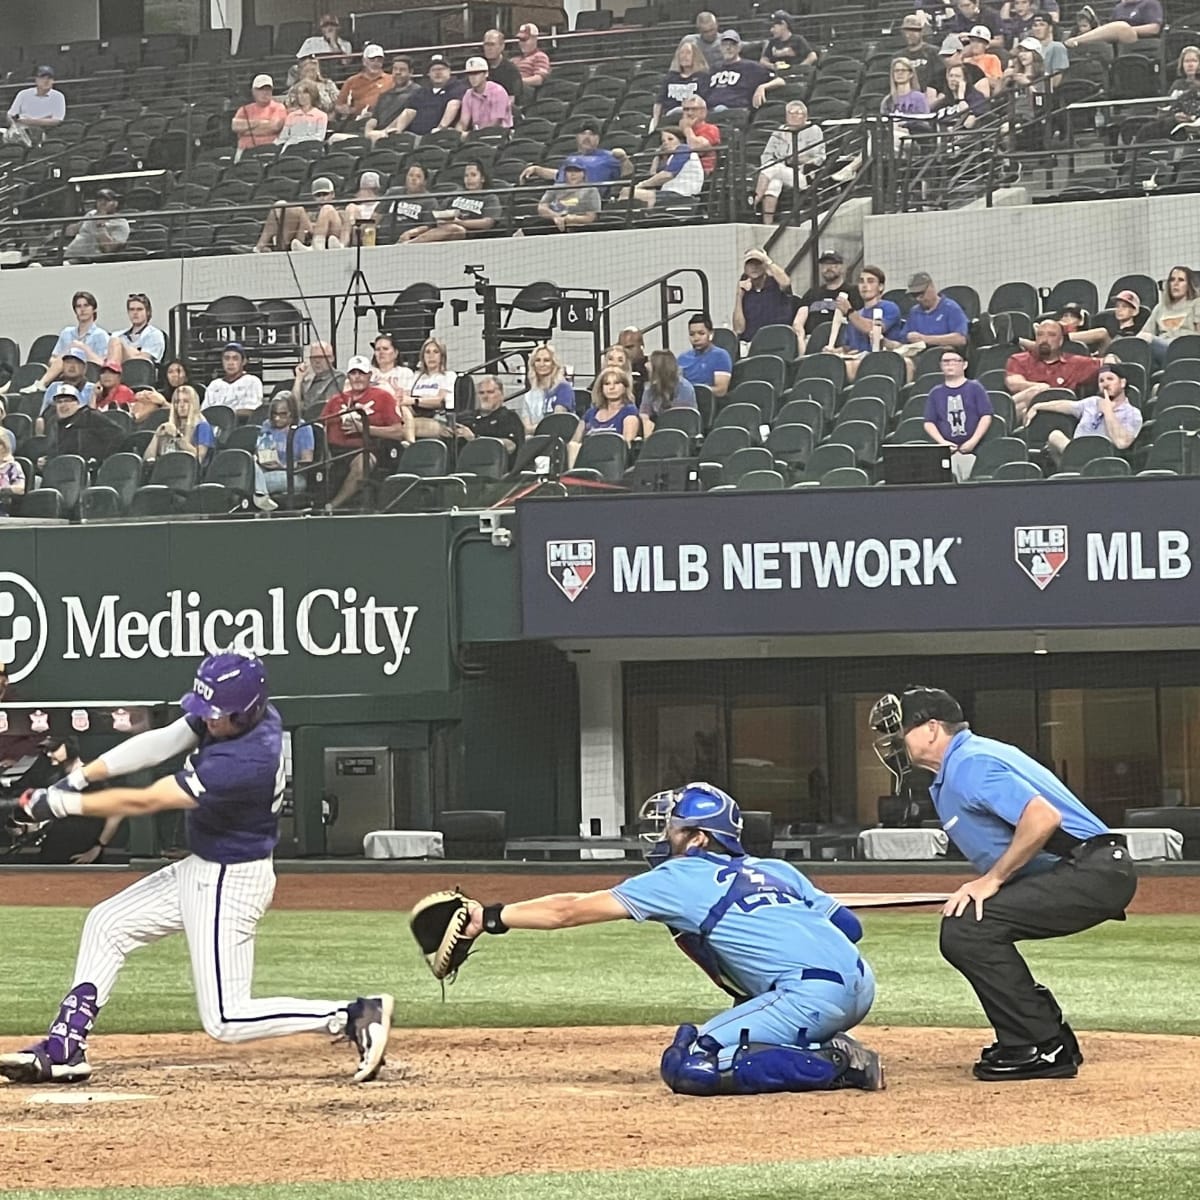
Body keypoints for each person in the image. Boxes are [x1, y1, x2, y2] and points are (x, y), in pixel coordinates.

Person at [2, 653, 393, 1086]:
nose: (208, 721)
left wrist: (61, 805)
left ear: (247, 712)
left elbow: (145, 800)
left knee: (226, 1018)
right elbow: (163, 740)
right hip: (203, 868)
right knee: (107, 924)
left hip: (231, 879)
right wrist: (75, 780)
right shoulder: (235, 712)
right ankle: (64, 1049)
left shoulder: (245, 761)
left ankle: (353, 1014)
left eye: (218, 715)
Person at [455, 782, 883, 1095]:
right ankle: (818, 1039)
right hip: (863, 986)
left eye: (672, 828)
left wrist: (489, 917)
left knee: (691, 1065)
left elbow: (567, 910)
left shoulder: (676, 876)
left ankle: (838, 1064)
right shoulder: (776, 868)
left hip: (810, 998)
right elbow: (851, 928)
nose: (662, 836)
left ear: (698, 838)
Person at [868, 687, 1136, 1080]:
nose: (892, 743)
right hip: (1086, 867)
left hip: (1095, 869)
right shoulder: (957, 767)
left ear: (930, 729)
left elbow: (1042, 818)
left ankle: (1043, 1044)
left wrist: (991, 880)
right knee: (968, 922)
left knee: (969, 928)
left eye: (899, 731)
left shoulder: (970, 763)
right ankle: (1038, 1036)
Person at [319, 356, 409, 509]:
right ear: (348, 376)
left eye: (361, 373)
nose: (357, 377)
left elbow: (398, 432)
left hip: (368, 450)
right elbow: (320, 426)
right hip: (335, 452)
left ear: (369, 375)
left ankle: (332, 506)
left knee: (362, 464)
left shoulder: (383, 396)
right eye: (353, 373)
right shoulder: (336, 400)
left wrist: (364, 429)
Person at [1024, 363, 1142, 464]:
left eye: (1110, 379)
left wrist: (1108, 412)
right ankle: (1070, 470)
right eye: (1101, 381)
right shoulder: (1092, 402)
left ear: (1122, 383)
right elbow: (1066, 405)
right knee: (1055, 436)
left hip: (1104, 459)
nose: (1105, 384)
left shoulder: (1132, 413)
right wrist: (1038, 406)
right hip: (1076, 452)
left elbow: (1122, 443)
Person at [1005, 319, 1101, 417]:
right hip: (1025, 412)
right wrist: (1041, 389)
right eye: (1040, 334)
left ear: (1061, 341)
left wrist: (1110, 360)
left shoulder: (1075, 363)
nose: (1044, 339)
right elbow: (1014, 384)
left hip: (1062, 416)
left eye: (1051, 335)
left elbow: (1108, 363)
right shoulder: (1019, 359)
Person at [923, 348, 994, 479]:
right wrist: (942, 443)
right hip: (947, 452)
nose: (949, 364)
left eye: (954, 361)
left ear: (964, 364)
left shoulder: (975, 388)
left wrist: (973, 441)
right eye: (945, 362)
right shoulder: (935, 393)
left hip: (974, 449)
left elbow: (986, 416)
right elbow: (929, 422)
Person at [21, 291, 109, 393]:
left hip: (87, 376)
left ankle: (41, 384)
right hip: (64, 374)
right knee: (66, 356)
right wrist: (68, 356)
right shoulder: (66, 332)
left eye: (86, 305)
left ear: (94, 309)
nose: (82, 309)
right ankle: (40, 385)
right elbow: (53, 359)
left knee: (74, 352)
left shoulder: (100, 335)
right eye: (78, 306)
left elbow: (103, 364)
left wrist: (83, 349)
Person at [754, 101, 825, 224]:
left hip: (801, 175)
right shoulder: (779, 131)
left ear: (805, 116)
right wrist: (780, 162)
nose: (794, 115)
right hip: (779, 171)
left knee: (773, 169)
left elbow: (818, 157)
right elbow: (766, 155)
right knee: (773, 184)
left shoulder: (813, 130)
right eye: (790, 113)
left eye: (798, 113)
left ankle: (755, 199)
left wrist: (795, 159)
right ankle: (768, 225)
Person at [403, 161, 500, 243]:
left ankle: (410, 244)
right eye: (466, 176)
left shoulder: (490, 197)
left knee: (457, 229)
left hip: (469, 236)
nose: (469, 179)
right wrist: (446, 217)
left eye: (473, 175)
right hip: (444, 230)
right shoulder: (457, 194)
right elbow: (438, 212)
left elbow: (488, 222)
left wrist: (460, 222)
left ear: (482, 178)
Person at [835, 266, 903, 379]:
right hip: (857, 359)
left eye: (870, 281)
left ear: (880, 287)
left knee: (850, 367)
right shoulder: (856, 315)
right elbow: (848, 346)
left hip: (883, 361)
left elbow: (874, 329)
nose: (865, 286)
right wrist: (834, 351)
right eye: (861, 281)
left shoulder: (889, 307)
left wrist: (849, 311)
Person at [520, 121, 631, 191]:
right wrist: (537, 169)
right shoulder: (571, 158)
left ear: (598, 139)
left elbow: (628, 176)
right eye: (583, 134)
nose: (587, 137)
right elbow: (558, 174)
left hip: (587, 202)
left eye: (592, 134)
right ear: (577, 137)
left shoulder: (608, 157)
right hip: (560, 201)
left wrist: (624, 159)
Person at [384, 54, 464, 139]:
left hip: (440, 138)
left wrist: (440, 128)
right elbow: (409, 112)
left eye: (441, 69)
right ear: (428, 73)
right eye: (433, 70)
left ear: (449, 71)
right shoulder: (421, 92)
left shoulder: (457, 87)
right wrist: (397, 131)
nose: (437, 73)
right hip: (413, 137)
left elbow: (454, 106)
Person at [254, 392, 315, 503]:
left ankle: (261, 498)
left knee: (255, 482)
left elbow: (307, 462)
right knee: (250, 468)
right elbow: (261, 449)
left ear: (292, 413)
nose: (277, 418)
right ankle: (263, 500)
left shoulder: (303, 428)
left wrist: (282, 466)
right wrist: (261, 459)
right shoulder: (267, 425)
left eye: (282, 414)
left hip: (293, 475)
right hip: (265, 470)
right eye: (274, 414)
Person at [793, 250, 863, 344]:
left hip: (842, 342)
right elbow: (798, 322)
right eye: (825, 264)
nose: (829, 268)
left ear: (842, 267)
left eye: (833, 264)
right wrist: (801, 340)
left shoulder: (854, 292)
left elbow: (860, 320)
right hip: (812, 342)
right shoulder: (811, 294)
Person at [625, 127, 704, 210]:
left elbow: (667, 175)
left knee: (628, 193)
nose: (666, 143)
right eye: (663, 141)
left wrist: (640, 185)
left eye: (670, 139)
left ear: (680, 140)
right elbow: (653, 174)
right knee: (627, 192)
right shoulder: (672, 157)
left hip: (681, 194)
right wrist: (658, 154)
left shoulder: (684, 149)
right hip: (670, 192)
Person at [1138, 266, 1200, 368]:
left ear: (1189, 284)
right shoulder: (1160, 308)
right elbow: (1144, 333)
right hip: (1162, 349)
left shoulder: (1197, 303)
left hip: (1186, 349)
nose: (1175, 284)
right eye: (1172, 280)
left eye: (1181, 280)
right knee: (1140, 340)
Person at [707, 31, 784, 112]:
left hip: (735, 112)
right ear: (720, 48)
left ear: (739, 48)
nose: (728, 48)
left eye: (732, 44)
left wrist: (762, 87)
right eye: (725, 44)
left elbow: (780, 81)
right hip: (710, 111)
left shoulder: (751, 67)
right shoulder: (714, 68)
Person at [508, 343, 575, 433]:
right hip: (535, 439)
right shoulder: (529, 395)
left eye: (546, 360)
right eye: (538, 360)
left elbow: (557, 422)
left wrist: (536, 428)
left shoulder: (563, 388)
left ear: (554, 364)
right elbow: (527, 428)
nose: (541, 364)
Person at [525, 158, 602, 234]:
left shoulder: (591, 190)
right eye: (569, 171)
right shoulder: (557, 187)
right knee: (531, 226)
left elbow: (591, 217)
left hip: (577, 226)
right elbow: (542, 207)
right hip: (554, 223)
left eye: (577, 171)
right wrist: (556, 217)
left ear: (584, 173)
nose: (573, 174)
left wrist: (569, 219)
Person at [734, 249, 795, 345]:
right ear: (745, 268)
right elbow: (738, 329)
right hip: (751, 343)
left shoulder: (776, 283)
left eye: (758, 263)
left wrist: (767, 260)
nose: (754, 267)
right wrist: (739, 296)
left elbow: (786, 282)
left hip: (778, 342)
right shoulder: (745, 290)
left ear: (765, 266)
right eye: (750, 264)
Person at [144, 385, 215, 466]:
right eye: (177, 402)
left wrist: (177, 437)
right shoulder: (169, 427)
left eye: (186, 401)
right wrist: (157, 436)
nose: (181, 405)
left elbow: (199, 458)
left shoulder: (203, 426)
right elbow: (147, 460)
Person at [34, 349, 95, 436]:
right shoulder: (53, 387)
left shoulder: (92, 388)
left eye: (77, 363)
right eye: (68, 362)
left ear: (84, 368)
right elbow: (43, 415)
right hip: (53, 433)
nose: (72, 366)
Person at [458, 375, 525, 455]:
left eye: (490, 392)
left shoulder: (509, 417)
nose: (485, 397)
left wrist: (474, 439)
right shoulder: (467, 417)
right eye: (481, 393)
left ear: (501, 394)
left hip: (498, 465)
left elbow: (511, 447)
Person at [653, 39, 710, 130]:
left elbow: (704, 102)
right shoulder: (670, 77)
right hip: (670, 117)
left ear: (695, 56)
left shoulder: (703, 77)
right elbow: (659, 102)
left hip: (692, 118)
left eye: (688, 53)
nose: (684, 56)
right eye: (681, 53)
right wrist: (655, 121)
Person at [640, 348, 698, 434]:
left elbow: (679, 419)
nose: (646, 365)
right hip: (659, 431)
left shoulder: (684, 388)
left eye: (650, 362)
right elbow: (644, 413)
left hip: (681, 432)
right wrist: (646, 423)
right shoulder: (650, 388)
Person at [407, 338, 457, 438]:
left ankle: (410, 444)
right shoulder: (416, 376)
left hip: (438, 418)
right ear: (422, 357)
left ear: (442, 356)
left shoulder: (448, 376)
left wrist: (415, 401)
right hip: (415, 416)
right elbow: (405, 399)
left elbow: (439, 401)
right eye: (427, 352)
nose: (431, 356)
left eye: (436, 352)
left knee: (406, 426)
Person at [62, 189, 130, 262]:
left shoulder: (121, 223)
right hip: (70, 255)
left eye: (106, 200)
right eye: (100, 200)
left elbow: (108, 249)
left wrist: (100, 223)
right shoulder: (91, 214)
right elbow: (71, 231)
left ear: (115, 203)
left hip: (91, 259)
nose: (102, 203)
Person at [1064, 0, 1162, 49]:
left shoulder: (1150, 3)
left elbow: (1154, 28)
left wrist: (1127, 30)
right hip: (1116, 44)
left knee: (1121, 27)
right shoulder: (1118, 8)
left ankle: (1076, 40)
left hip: (1138, 42)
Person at [5, 66, 66, 145]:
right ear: (36, 80)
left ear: (53, 81)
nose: (46, 81)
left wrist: (27, 121)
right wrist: (14, 126)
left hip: (46, 132)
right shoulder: (23, 94)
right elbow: (10, 114)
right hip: (21, 131)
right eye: (42, 78)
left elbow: (57, 121)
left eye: (49, 78)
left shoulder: (58, 96)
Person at [106, 293, 167, 371]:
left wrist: (121, 349)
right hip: (122, 370)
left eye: (139, 309)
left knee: (116, 341)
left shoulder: (154, 334)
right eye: (132, 309)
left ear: (148, 312)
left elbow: (144, 361)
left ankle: (111, 374)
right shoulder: (118, 334)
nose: (135, 313)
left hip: (140, 371)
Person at [334, 45, 394, 123]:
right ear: (364, 61)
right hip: (357, 122)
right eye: (372, 60)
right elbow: (339, 105)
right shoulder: (351, 81)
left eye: (379, 60)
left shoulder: (391, 80)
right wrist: (346, 110)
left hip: (384, 121)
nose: (375, 63)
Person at [678, 312, 732, 397]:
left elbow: (721, 390)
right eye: (692, 334)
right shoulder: (682, 358)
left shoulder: (721, 356)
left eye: (701, 333)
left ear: (711, 334)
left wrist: (693, 391)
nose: (696, 338)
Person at [202, 343, 263, 417]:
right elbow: (204, 412)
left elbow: (253, 411)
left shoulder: (252, 381)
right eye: (227, 358)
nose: (230, 363)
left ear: (243, 361)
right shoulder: (214, 385)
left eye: (235, 358)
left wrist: (226, 415)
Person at [232, 75, 286, 158]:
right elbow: (235, 127)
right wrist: (261, 123)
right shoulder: (244, 109)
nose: (265, 92)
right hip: (244, 149)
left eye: (268, 89)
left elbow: (274, 127)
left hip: (269, 149)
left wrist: (246, 130)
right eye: (261, 89)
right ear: (254, 91)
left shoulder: (278, 107)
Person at [582, 368, 640, 444]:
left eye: (616, 383)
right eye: (607, 384)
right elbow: (574, 441)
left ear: (625, 387)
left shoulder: (629, 412)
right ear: (601, 388)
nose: (612, 387)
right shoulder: (591, 413)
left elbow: (627, 446)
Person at [458, 57, 513, 135]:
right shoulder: (468, 94)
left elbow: (496, 122)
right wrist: (459, 134)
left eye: (477, 73)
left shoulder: (498, 91)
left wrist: (476, 134)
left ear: (486, 74)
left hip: (500, 134)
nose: (473, 77)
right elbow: (463, 122)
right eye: (470, 74)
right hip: (478, 135)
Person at [277, 81, 328, 146]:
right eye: (299, 93)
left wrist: (298, 140)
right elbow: (283, 137)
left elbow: (319, 137)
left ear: (312, 95)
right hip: (291, 149)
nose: (301, 96)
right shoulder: (291, 116)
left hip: (311, 148)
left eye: (305, 93)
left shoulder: (321, 116)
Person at [370, 334, 414, 405]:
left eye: (385, 349)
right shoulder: (368, 373)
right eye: (378, 349)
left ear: (396, 353)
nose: (381, 352)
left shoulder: (405, 372)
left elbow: (406, 398)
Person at [480, 29, 524, 97]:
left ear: (502, 46)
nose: (489, 48)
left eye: (492, 44)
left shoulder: (511, 71)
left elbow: (512, 99)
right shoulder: (479, 66)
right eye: (486, 44)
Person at [513, 23, 552, 94]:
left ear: (534, 39)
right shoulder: (514, 59)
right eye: (520, 40)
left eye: (525, 39)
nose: (522, 43)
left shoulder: (541, 56)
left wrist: (517, 82)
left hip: (528, 93)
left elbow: (538, 80)